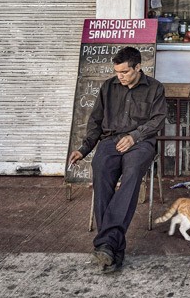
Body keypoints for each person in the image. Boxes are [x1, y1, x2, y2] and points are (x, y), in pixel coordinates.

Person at [68, 46, 166, 274]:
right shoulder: (108, 87)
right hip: (111, 141)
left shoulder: (155, 89)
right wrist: (84, 149)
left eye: (124, 72)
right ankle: (111, 248)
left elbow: (158, 120)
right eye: (117, 72)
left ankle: (106, 244)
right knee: (100, 169)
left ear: (138, 67)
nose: (119, 76)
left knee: (132, 174)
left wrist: (135, 136)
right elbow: (95, 121)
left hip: (141, 142)